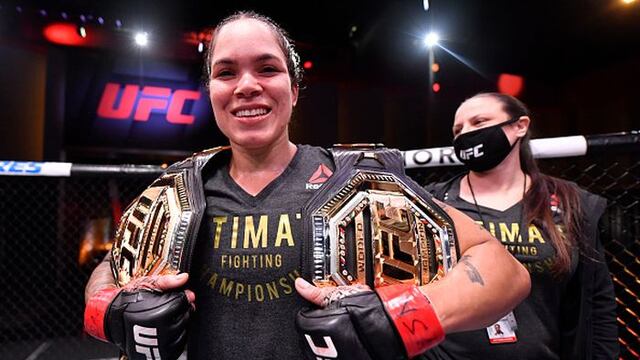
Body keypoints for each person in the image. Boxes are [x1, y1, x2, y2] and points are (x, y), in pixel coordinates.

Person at [84, 12, 531, 360]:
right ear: (211, 92)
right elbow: (108, 268)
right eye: (226, 73)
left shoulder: (362, 181)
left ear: (294, 90)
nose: (247, 86)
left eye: (267, 69)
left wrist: (404, 316)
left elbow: (505, 272)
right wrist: (107, 306)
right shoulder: (176, 191)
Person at [424, 92, 618, 359]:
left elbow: (598, 303)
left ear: (520, 126)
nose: (465, 133)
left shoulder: (569, 202)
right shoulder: (432, 203)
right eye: (458, 129)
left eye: (479, 122)